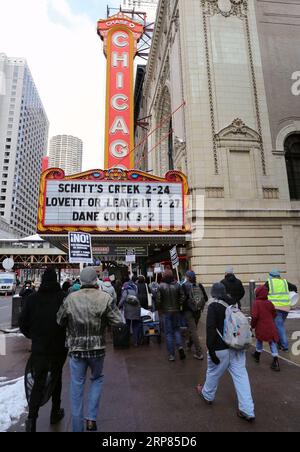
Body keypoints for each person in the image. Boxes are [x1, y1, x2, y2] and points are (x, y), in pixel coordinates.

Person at [57, 267, 122, 433]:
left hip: (76, 349)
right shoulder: (105, 298)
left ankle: (77, 428)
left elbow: (59, 320)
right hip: (97, 348)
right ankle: (91, 418)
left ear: (80, 280)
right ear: (96, 280)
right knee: (97, 379)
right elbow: (118, 321)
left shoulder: (70, 298)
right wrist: (104, 322)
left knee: (76, 387)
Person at [196, 283, 255, 422]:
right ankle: (247, 410)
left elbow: (210, 329)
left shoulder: (213, 306)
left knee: (213, 372)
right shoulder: (234, 304)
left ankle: (207, 395)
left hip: (220, 348)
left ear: (214, 294)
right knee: (241, 377)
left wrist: (211, 350)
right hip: (237, 348)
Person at [19, 268, 67, 433]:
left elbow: (22, 323)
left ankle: (32, 418)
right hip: (59, 347)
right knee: (56, 378)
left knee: (38, 382)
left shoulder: (32, 299)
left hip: (39, 347)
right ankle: (55, 412)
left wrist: (33, 336)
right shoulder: (62, 297)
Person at [157, 269, 186, 362]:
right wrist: (179, 304)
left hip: (166, 312)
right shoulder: (177, 285)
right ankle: (180, 346)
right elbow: (183, 296)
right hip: (176, 310)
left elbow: (158, 299)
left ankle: (171, 355)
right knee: (177, 330)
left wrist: (160, 308)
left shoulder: (160, 286)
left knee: (168, 333)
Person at [265, 269, 297, 352]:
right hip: (286, 308)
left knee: (279, 326)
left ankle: (285, 345)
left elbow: (263, 291)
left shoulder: (269, 282)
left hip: (276, 308)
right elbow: (294, 288)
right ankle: (279, 343)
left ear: (271, 276)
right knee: (278, 326)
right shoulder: (285, 282)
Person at [251, 285, 280, 372]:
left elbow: (255, 316)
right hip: (271, 325)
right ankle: (275, 360)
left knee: (259, 339)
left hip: (261, 325)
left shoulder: (256, 303)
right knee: (272, 342)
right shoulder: (269, 303)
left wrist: (252, 325)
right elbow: (274, 314)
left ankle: (257, 355)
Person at [182, 271, 208, 360]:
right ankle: (189, 343)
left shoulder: (184, 286)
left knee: (193, 330)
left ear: (188, 277)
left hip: (188, 311)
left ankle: (199, 353)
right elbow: (206, 298)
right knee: (193, 329)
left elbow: (183, 299)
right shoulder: (199, 285)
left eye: (186, 276)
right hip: (197, 310)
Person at [119, 278, 142, 347]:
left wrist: (119, 306)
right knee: (135, 326)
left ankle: (127, 341)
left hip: (128, 310)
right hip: (137, 309)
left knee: (128, 325)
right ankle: (136, 341)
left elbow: (123, 299)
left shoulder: (126, 290)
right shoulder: (135, 289)